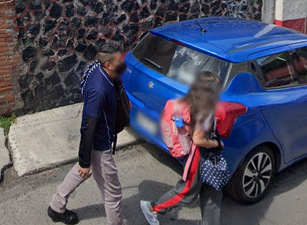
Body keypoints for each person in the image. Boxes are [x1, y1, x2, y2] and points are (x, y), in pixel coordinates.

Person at [48, 43, 128, 225]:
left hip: (98, 141)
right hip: (100, 145)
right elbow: (88, 127)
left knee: (81, 172)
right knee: (113, 193)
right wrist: (85, 161)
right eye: (119, 61)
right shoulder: (98, 91)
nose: (123, 63)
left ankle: (56, 206)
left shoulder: (97, 68)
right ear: (108, 65)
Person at [140, 71, 224, 225]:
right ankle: (152, 208)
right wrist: (217, 144)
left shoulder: (193, 100)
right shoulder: (205, 110)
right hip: (198, 156)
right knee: (186, 192)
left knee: (213, 191)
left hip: (202, 155)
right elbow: (198, 139)